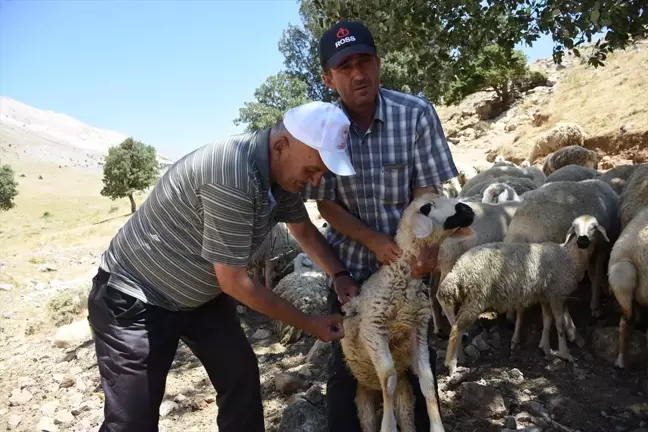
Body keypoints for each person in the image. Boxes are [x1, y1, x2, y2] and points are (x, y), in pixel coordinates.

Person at [87, 100, 362, 432]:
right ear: (280, 146)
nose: (316, 182)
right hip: (135, 296)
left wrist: (339, 275)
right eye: (312, 170)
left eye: (321, 172)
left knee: (240, 380)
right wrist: (307, 322)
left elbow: (303, 231)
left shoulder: (282, 176)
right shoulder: (232, 174)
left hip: (201, 296)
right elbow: (234, 282)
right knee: (132, 422)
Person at [302, 21, 459, 431]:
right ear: (328, 77)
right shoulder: (324, 131)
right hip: (350, 273)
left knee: (415, 365)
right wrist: (371, 240)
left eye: (365, 61)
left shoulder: (416, 114)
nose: (358, 74)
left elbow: (427, 194)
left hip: (409, 270)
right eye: (345, 66)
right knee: (351, 372)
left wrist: (425, 250)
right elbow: (326, 205)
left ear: (378, 62)